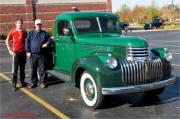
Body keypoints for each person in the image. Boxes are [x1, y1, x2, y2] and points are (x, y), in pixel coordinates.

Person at [25, 19, 52, 88]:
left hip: (41, 54)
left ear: (41, 25)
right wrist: (27, 51)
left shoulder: (44, 33)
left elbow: (50, 40)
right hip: (32, 54)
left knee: (42, 69)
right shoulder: (31, 33)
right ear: (35, 25)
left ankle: (42, 82)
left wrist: (47, 44)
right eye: (37, 25)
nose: (38, 26)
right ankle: (34, 82)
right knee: (33, 69)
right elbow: (27, 42)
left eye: (39, 25)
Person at [6, 18, 27, 91]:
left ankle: (22, 82)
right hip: (16, 53)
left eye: (21, 23)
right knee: (15, 70)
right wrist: (10, 50)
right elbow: (7, 41)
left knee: (22, 69)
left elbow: (26, 41)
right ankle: (14, 84)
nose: (20, 24)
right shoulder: (12, 31)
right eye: (18, 23)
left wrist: (27, 51)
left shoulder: (24, 32)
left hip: (23, 52)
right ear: (15, 23)